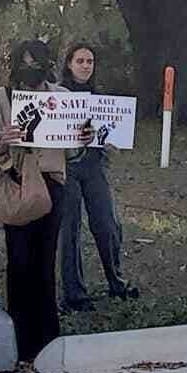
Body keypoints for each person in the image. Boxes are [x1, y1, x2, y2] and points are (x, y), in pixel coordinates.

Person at [0, 40, 93, 373]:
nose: (31, 68)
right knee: (19, 261)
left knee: (45, 262)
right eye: (25, 62)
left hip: (52, 182)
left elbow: (73, 151)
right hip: (18, 181)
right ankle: (21, 342)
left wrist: (82, 139)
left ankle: (48, 340)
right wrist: (2, 142)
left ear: (47, 65)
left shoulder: (61, 96)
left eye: (37, 63)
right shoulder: (2, 97)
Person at [57, 42, 138, 312]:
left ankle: (116, 281)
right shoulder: (58, 94)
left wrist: (110, 140)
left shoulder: (100, 98)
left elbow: (111, 134)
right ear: (69, 64)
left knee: (107, 224)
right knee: (70, 231)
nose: (85, 66)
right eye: (80, 61)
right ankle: (74, 294)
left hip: (94, 166)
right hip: (66, 167)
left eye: (89, 61)